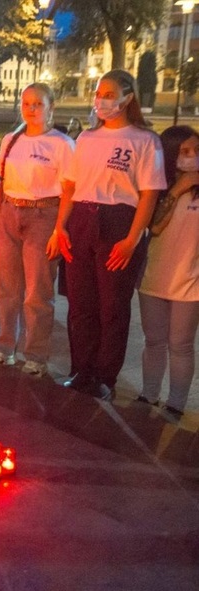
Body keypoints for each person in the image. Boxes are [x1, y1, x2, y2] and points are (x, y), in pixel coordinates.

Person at [46, 69, 165, 400]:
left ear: (128, 98)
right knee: (80, 304)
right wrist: (61, 227)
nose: (101, 100)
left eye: (109, 94)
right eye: (98, 93)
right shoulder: (86, 139)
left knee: (112, 305)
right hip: (82, 220)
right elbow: (70, 187)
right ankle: (81, 370)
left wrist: (131, 239)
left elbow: (149, 195)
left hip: (119, 223)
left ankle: (105, 377)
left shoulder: (144, 141)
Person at [0, 83, 74, 375]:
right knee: (6, 287)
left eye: (38, 103)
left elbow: (68, 191)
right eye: (26, 103)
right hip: (10, 212)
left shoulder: (62, 144)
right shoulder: (12, 139)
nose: (32, 109)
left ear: (51, 107)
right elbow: (1, 183)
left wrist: (59, 229)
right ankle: (4, 345)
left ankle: (35, 354)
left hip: (43, 215)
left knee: (38, 290)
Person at [137, 125, 199, 421]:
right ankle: (148, 395)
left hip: (191, 282)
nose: (192, 158)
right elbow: (156, 226)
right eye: (185, 152)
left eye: (196, 152)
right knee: (154, 341)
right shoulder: (159, 189)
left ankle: (175, 403)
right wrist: (176, 190)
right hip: (154, 278)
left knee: (181, 345)